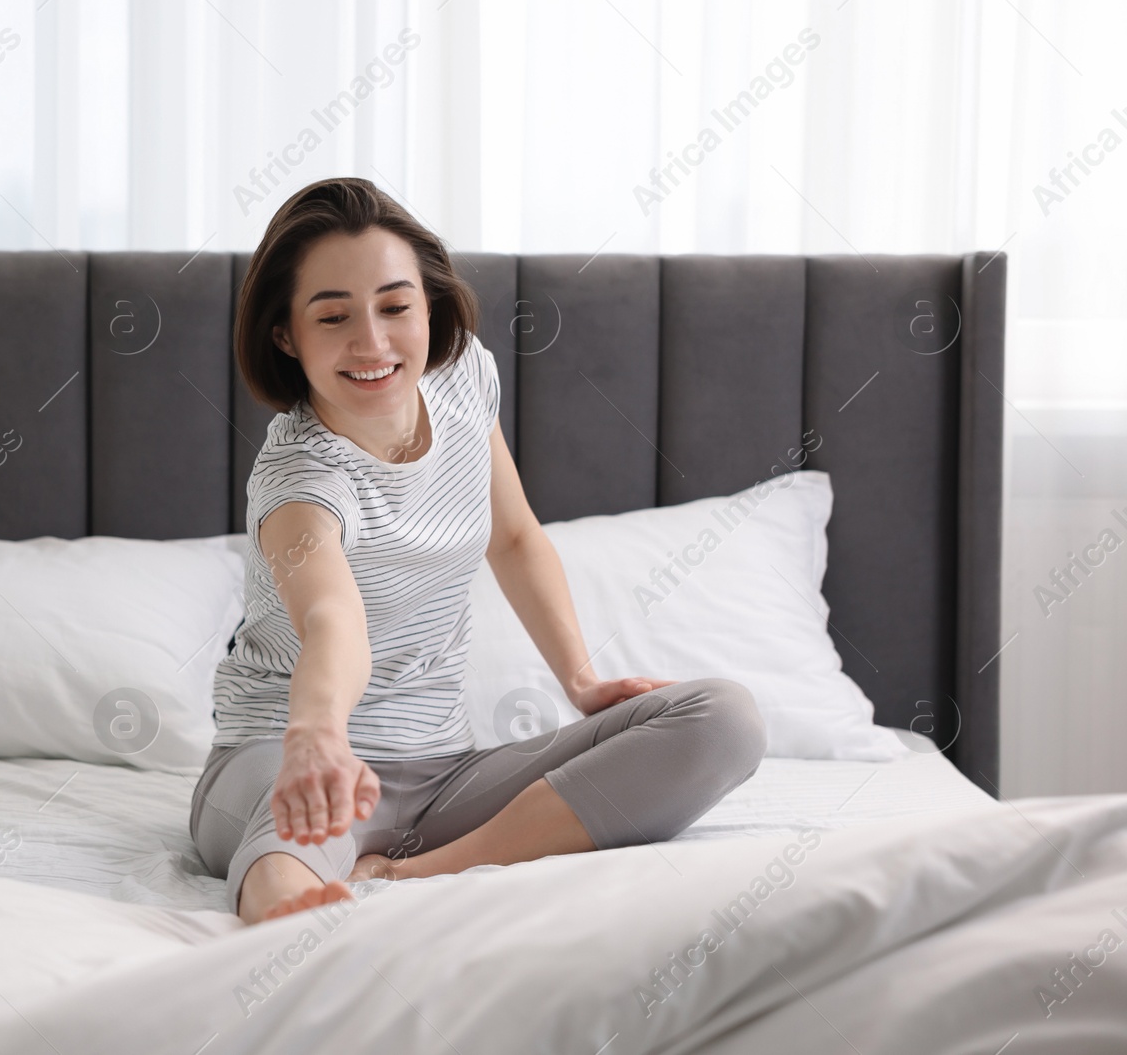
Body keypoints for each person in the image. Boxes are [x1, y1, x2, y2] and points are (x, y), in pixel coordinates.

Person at [190, 177, 766, 926]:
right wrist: (317, 737)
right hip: (285, 756)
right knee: (289, 850)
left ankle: (414, 873)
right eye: (333, 316)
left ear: (429, 305)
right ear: (286, 336)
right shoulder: (300, 478)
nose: (373, 342)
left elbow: (516, 535)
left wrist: (583, 681)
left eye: (396, 306)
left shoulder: (462, 382)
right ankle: (290, 926)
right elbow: (336, 620)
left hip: (445, 780)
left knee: (724, 718)